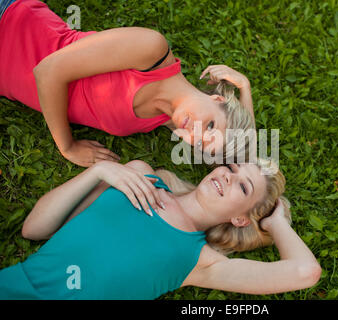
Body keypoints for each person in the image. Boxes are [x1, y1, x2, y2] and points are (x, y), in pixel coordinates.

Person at [0, 159, 321, 299]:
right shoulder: (139, 177)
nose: (227, 176)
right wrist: (97, 172)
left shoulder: (199, 261)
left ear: (240, 219)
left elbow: (305, 272)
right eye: (232, 168)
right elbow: (35, 228)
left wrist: (275, 220)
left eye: (243, 187)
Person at [0, 0, 255, 167]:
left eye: (199, 142)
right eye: (210, 125)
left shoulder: (166, 119)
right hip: (8, 23)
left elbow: (243, 160)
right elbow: (47, 72)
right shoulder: (151, 51)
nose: (195, 132)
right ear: (217, 99)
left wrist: (245, 88)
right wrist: (68, 146)